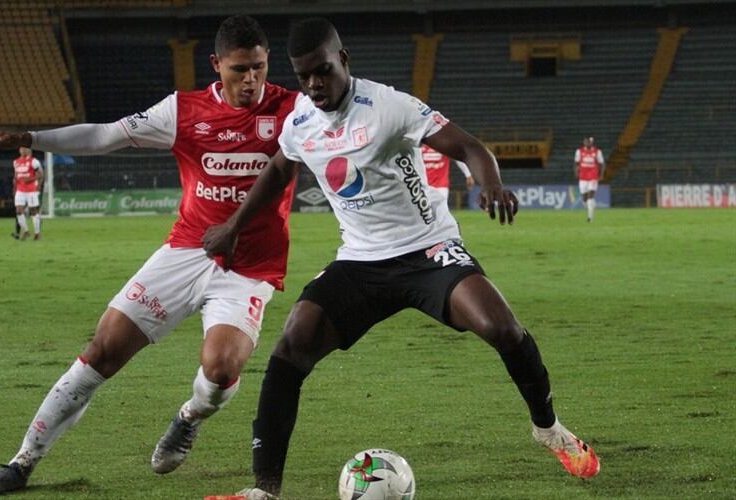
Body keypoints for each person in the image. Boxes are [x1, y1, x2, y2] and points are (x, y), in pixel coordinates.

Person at [201, 18, 599, 499]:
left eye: (323, 71)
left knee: (503, 329)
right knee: (291, 348)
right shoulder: (301, 121)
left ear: (343, 60)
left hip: (429, 251)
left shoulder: (387, 106)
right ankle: (263, 491)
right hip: (361, 262)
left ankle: (549, 429)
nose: (314, 85)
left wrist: (488, 180)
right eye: (304, 76)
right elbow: (279, 170)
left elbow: (468, 145)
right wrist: (233, 227)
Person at [0, 15, 299, 495]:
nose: (251, 81)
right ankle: (21, 463)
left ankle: (189, 416)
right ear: (216, 65)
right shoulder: (183, 111)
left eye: (259, 69)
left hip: (248, 269)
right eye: (239, 70)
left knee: (222, 369)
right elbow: (105, 135)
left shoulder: (294, 109)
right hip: (186, 250)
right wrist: (29, 139)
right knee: (102, 350)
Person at [421, 143, 475, 207]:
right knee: (423, 212)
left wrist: (468, 175)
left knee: (440, 211)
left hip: (440, 186)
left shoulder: (444, 146)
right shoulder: (420, 145)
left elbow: (458, 159)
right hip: (424, 186)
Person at [13, 146, 43, 240]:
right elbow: (16, 176)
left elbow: (41, 175)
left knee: (33, 211)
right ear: (19, 150)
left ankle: (37, 233)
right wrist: (14, 188)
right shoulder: (16, 162)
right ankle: (26, 231)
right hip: (20, 190)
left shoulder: (34, 161)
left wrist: (31, 180)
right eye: (21, 148)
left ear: (29, 150)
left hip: (31, 190)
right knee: (18, 211)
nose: (23, 150)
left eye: (25, 148)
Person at [573, 136, 605, 222]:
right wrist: (576, 172)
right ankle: (591, 207)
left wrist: (601, 175)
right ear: (583, 142)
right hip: (583, 176)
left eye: (588, 141)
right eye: (585, 141)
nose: (587, 143)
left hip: (593, 176)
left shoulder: (597, 152)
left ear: (591, 142)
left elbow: (601, 164)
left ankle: (590, 217)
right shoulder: (579, 151)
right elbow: (576, 163)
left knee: (590, 196)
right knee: (584, 198)